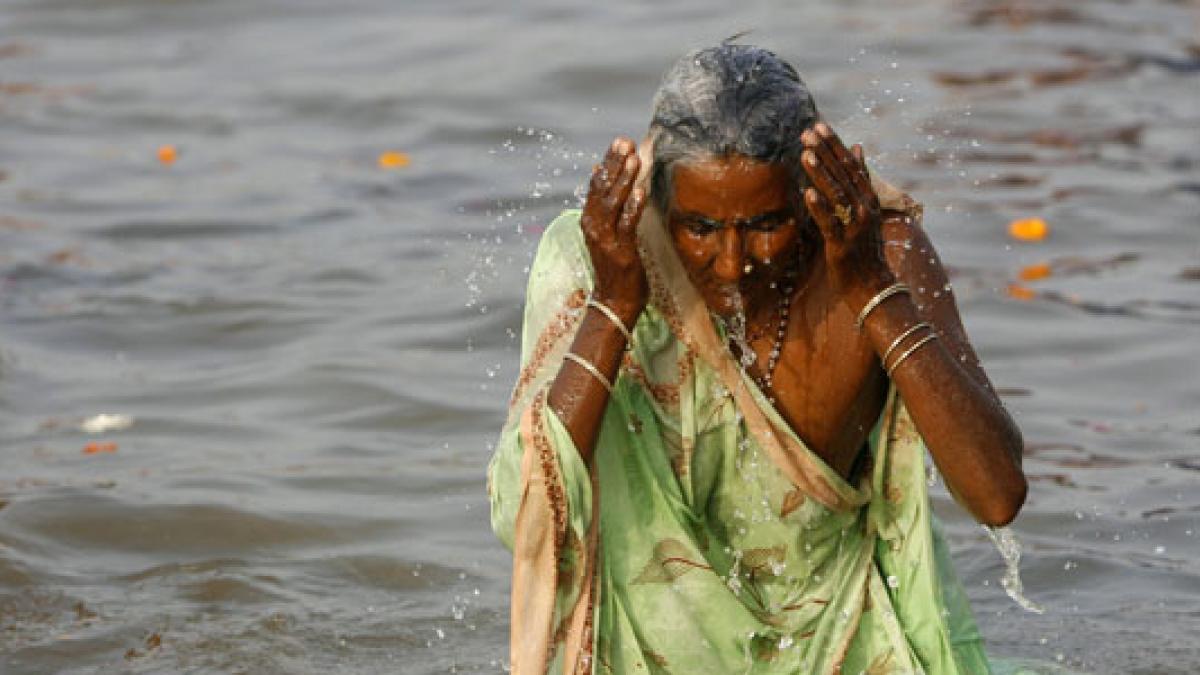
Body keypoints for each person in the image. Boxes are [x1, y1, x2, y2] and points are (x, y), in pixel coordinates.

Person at [488, 43, 1027, 674]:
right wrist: (613, 305)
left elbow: (997, 496)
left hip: (847, 646)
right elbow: (524, 514)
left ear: (808, 201)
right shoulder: (603, 257)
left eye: (766, 223)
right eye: (701, 228)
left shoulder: (875, 252)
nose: (733, 262)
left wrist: (871, 291)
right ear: (661, 208)